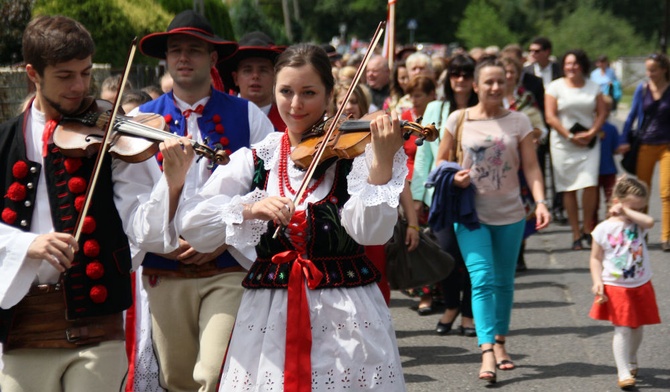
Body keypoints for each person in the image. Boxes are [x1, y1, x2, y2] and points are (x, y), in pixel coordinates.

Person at [173, 43, 407, 391]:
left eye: (308, 93)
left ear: (330, 96)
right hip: (271, 314)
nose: (295, 105)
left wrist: (383, 164)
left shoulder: (355, 157)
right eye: (286, 92)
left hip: (346, 313)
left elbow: (370, 232)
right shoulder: (255, 159)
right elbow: (192, 223)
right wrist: (249, 209)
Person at [0, 15, 158, 391]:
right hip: (24, 327)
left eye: (86, 73)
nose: (80, 86)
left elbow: (144, 219)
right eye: (65, 75)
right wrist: (26, 244)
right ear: (32, 74)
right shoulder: (5, 139)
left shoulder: (110, 129)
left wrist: (171, 182)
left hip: (98, 322)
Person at [131, 10, 275, 392]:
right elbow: (131, 198)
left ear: (212, 59)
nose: (183, 58)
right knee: (175, 378)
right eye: (175, 50)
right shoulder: (139, 120)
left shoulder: (247, 115)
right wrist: (165, 238)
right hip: (165, 266)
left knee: (213, 374)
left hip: (227, 265)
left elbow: (268, 183)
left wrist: (222, 234)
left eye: (194, 50)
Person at [435, 57, 551, 383]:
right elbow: (440, 163)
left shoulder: (520, 121)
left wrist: (541, 202)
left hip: (511, 214)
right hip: (470, 215)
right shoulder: (459, 119)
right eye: (488, 82)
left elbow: (531, 168)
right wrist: (454, 178)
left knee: (503, 281)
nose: (495, 87)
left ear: (508, 84)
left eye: (501, 81)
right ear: (476, 85)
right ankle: (486, 349)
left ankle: (500, 342)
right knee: (482, 278)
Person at [412, 54, 478, 331]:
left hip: (476, 192)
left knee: (472, 257)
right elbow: (423, 156)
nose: (460, 79)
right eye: (455, 74)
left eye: (466, 74)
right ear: (448, 78)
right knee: (447, 252)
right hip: (441, 193)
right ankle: (451, 305)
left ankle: (468, 312)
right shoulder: (435, 109)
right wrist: (417, 195)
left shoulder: (483, 108)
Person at [588, 177, 660, 390]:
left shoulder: (638, 224)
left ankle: (631, 357)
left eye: (640, 207)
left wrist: (627, 212)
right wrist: (597, 281)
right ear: (617, 200)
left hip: (641, 282)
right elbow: (595, 258)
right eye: (632, 206)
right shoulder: (603, 228)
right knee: (623, 329)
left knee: (637, 327)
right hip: (616, 286)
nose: (637, 211)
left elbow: (649, 222)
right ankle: (623, 372)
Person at [545, 49, 607, 250]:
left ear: (582, 65)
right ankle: (575, 233)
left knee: (590, 184)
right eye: (567, 63)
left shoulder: (594, 87)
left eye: (575, 63)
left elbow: (602, 112)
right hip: (563, 143)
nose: (571, 67)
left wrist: (591, 132)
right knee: (568, 187)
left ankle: (587, 227)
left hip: (588, 143)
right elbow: (550, 116)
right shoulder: (555, 87)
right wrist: (569, 135)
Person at [501, 55, 548, 272]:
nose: (509, 76)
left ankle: (519, 251)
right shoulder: (489, 97)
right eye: (505, 72)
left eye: (512, 72)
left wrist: (533, 134)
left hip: (521, 161)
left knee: (522, 206)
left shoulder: (525, 98)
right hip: (498, 162)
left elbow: (539, 126)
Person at [619, 53, 670, 252]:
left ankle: (667, 236)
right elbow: (632, 115)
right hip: (645, 144)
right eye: (647, 70)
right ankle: (641, 232)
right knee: (642, 191)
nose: (649, 73)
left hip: (667, 146)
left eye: (653, 70)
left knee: (667, 192)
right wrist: (624, 140)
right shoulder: (643, 89)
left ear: (664, 69)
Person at [524, 37, 565, 224]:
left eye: (537, 51)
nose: (533, 54)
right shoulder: (527, 73)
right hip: (537, 127)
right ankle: (540, 205)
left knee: (558, 168)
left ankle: (558, 207)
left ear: (547, 52)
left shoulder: (560, 71)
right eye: (531, 50)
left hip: (557, 124)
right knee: (537, 166)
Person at [220, 31, 285, 131]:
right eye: (247, 70)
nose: (255, 76)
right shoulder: (218, 117)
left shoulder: (289, 122)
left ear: (275, 78)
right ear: (235, 78)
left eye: (263, 70)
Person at [594, 96, 621, 225]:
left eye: (607, 109)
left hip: (609, 170)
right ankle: (592, 225)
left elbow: (616, 148)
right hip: (593, 169)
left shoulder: (612, 129)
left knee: (612, 199)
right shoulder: (591, 128)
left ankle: (611, 222)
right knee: (593, 201)